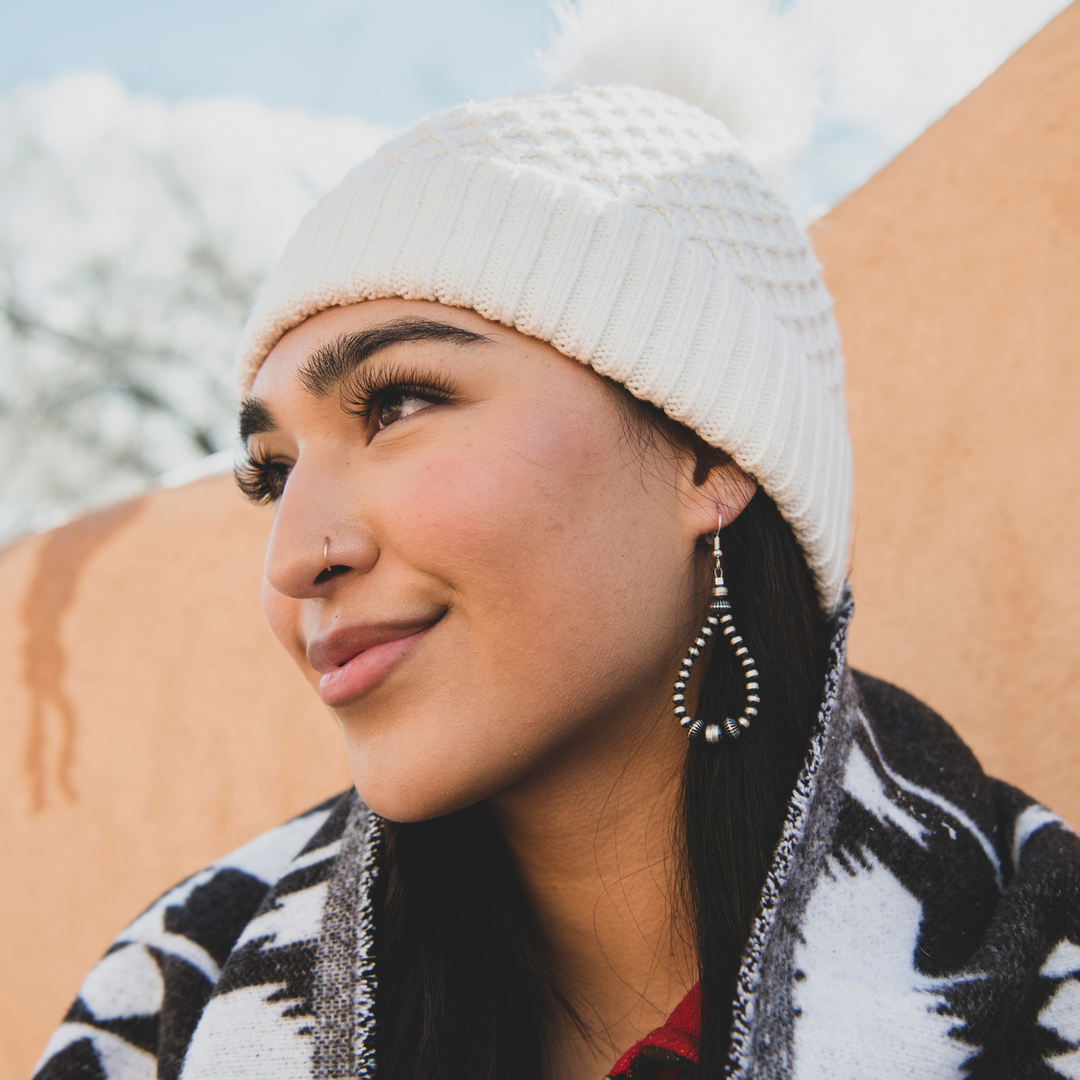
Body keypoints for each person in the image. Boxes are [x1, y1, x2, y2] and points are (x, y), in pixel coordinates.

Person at [31, 6, 1080, 1079]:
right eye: (273, 471)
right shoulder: (166, 1007)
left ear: (710, 458)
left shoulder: (1044, 977)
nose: (295, 555)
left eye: (395, 405)